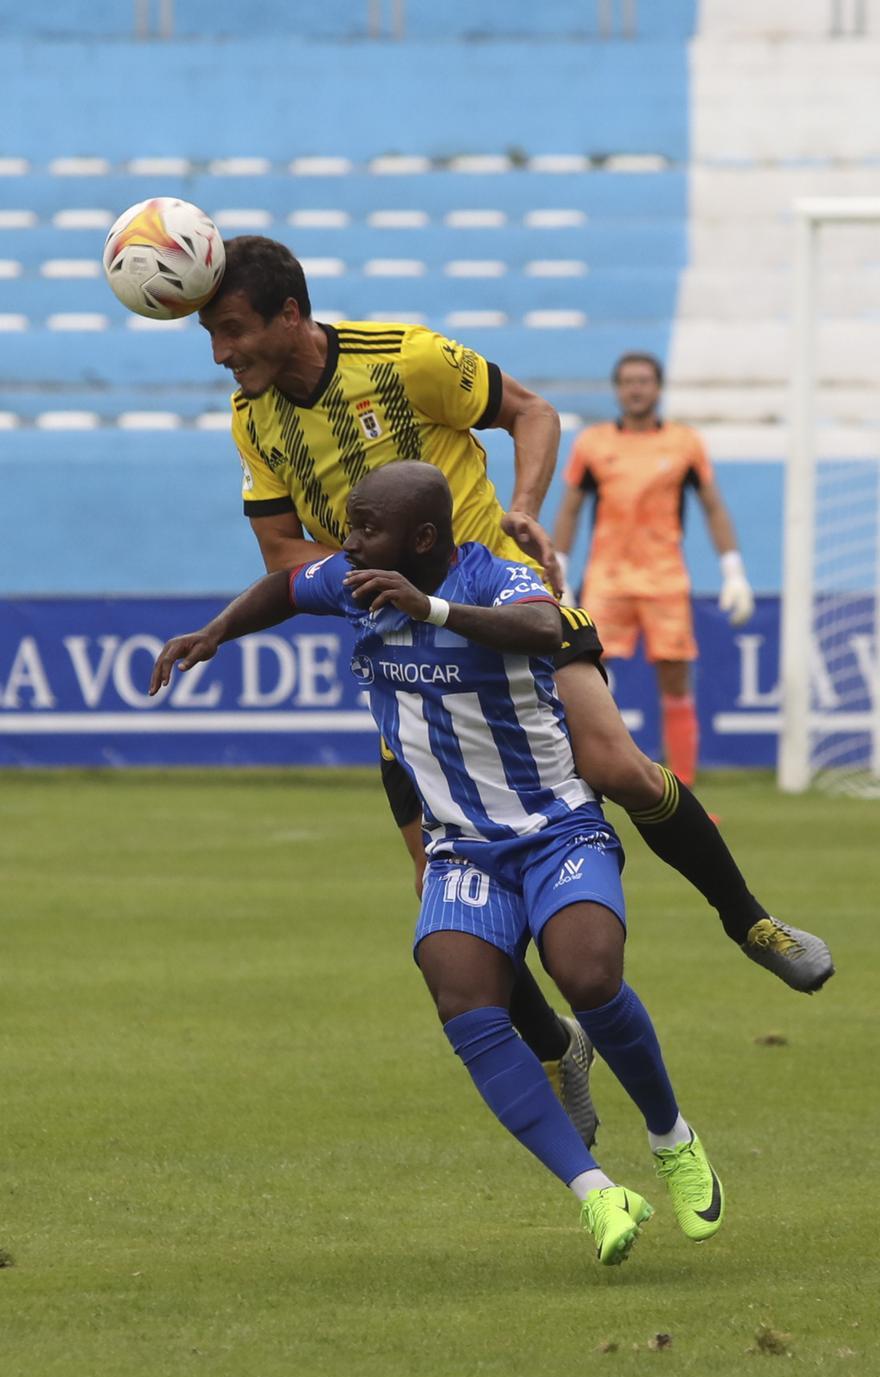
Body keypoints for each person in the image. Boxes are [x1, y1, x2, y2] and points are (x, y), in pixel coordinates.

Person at [196, 235, 833, 1104]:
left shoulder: (407, 359)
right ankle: (552, 1045)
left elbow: (531, 411)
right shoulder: (253, 421)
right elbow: (280, 549)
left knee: (613, 764)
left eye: (232, 331)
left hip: (507, 606)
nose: (222, 354)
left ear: (292, 315)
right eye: (211, 336)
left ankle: (750, 920)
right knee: (442, 888)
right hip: (413, 661)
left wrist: (524, 510)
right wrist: (375, 587)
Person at [150, 461, 726, 1267]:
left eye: (365, 528)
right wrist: (216, 631)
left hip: (555, 826)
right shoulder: (355, 579)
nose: (349, 543)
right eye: (349, 527)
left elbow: (546, 630)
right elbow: (282, 588)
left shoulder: (500, 576)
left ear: (424, 538)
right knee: (459, 991)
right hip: (463, 846)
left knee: (588, 976)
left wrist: (435, 609)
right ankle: (597, 1193)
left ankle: (671, 1137)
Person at [552, 351, 755, 789]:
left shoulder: (684, 443)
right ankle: (580, 784)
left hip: (665, 577)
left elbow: (713, 505)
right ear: (618, 389)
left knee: (676, 678)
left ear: (658, 388)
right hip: (608, 577)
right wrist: (560, 572)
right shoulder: (593, 443)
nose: (636, 388)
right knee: (584, 676)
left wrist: (733, 570)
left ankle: (682, 790)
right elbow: (570, 508)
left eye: (644, 381)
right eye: (628, 381)